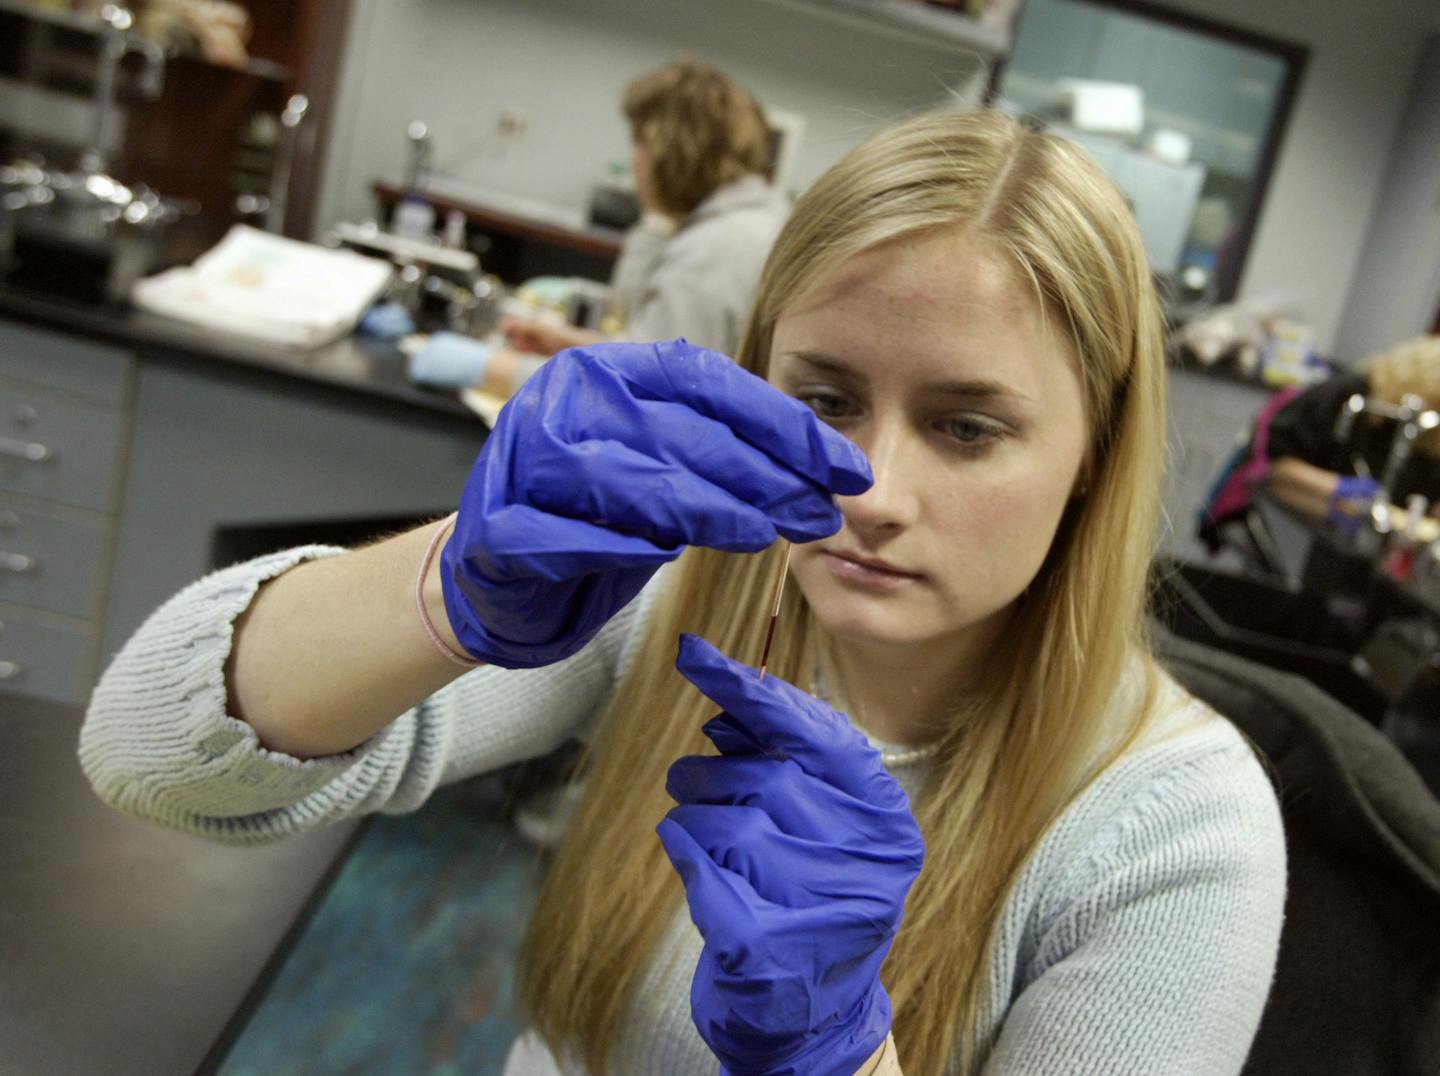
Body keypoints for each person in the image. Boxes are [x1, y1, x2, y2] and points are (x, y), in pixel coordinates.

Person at [80, 110, 1285, 1074]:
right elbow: (146, 753)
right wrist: (449, 587)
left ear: (1092, 457)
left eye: (967, 426)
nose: (873, 491)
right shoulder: (669, 603)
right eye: (823, 401)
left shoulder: (1175, 830)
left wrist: (846, 1056)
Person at [495, 56, 789, 373]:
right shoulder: (752, 219)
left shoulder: (712, 251)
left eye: (639, 141)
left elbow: (647, 395)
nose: (634, 159)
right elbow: (650, 349)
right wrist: (570, 345)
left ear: (672, 148)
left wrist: (493, 367)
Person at [1263, 333, 1440, 522]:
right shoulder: (1350, 397)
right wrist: (1336, 488)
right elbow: (1276, 465)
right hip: (1291, 516)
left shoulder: (1428, 435)